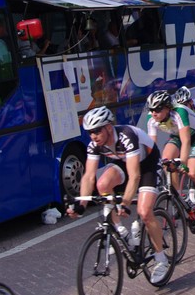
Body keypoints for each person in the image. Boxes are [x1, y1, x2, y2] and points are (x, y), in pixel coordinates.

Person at [67, 106, 170, 283]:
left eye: (97, 131)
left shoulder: (126, 136)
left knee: (145, 212)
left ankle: (161, 259)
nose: (93, 136)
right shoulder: (94, 145)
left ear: (108, 127)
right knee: (102, 184)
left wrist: (125, 203)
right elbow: (89, 176)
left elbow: (135, 175)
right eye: (90, 132)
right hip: (124, 162)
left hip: (148, 165)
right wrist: (81, 204)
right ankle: (121, 231)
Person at [146, 91, 195, 219]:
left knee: (193, 173)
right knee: (166, 161)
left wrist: (183, 163)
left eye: (157, 109)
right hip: (177, 136)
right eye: (151, 109)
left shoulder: (179, 112)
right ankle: (180, 199)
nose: (153, 113)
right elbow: (151, 146)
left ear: (167, 108)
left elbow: (186, 141)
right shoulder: (151, 119)